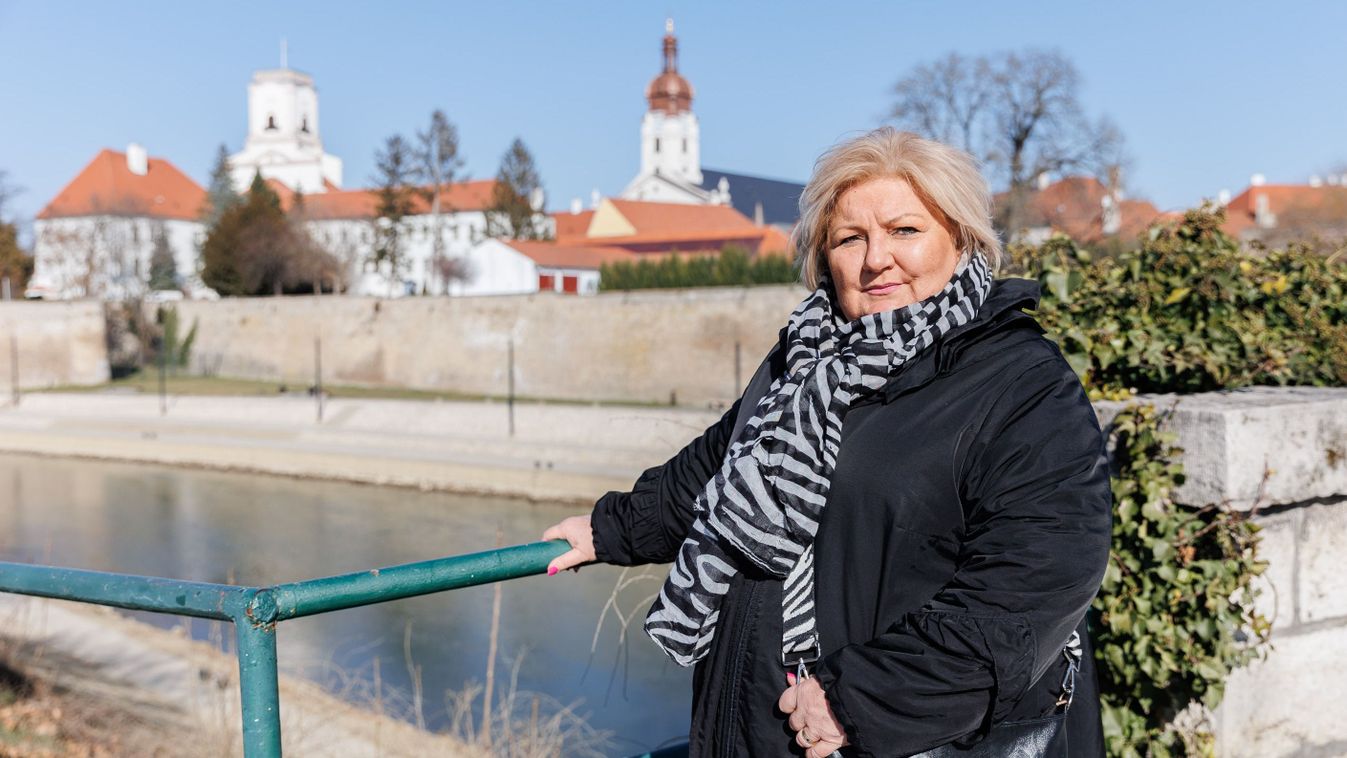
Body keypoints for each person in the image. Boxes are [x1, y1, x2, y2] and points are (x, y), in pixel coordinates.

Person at [543, 127, 1112, 757]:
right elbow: (717, 465)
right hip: (763, 726)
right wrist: (609, 529)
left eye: (904, 230)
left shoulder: (1023, 384)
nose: (876, 259)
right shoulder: (807, 357)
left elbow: (1033, 583)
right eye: (849, 238)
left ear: (962, 240)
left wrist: (858, 700)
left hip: (888, 736)